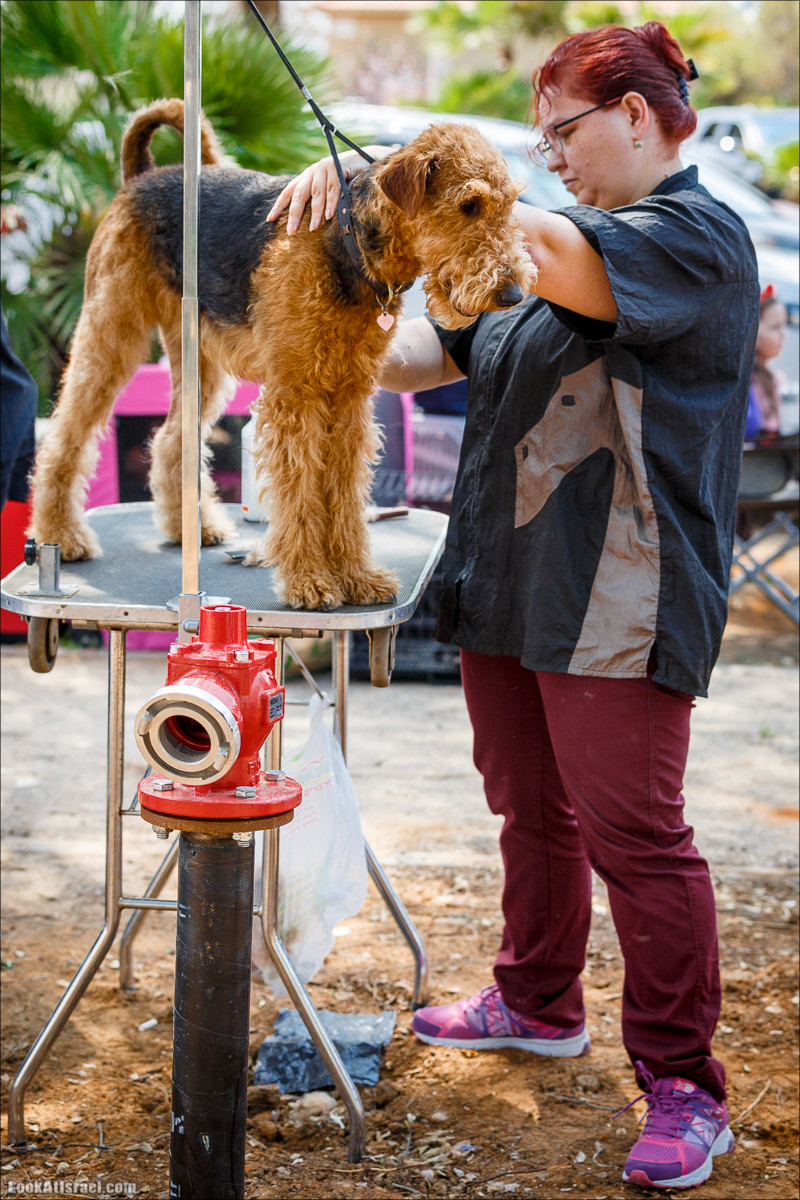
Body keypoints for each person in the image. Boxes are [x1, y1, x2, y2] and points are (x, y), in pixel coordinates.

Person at [269, 20, 758, 1191]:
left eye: (558, 135)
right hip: (508, 579)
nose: (549, 160)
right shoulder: (535, 253)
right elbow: (416, 356)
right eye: (537, 143)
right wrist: (315, 291)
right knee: (527, 810)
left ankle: (684, 1085)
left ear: (633, 115)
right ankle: (537, 1002)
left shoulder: (692, 240)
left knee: (635, 836)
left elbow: (526, 237)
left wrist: (380, 174)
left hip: (620, 591)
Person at [744, 284, 788, 440]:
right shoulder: (746, 378)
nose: (783, 334)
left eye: (783, 326)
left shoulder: (774, 377)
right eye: (775, 327)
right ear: (753, 328)